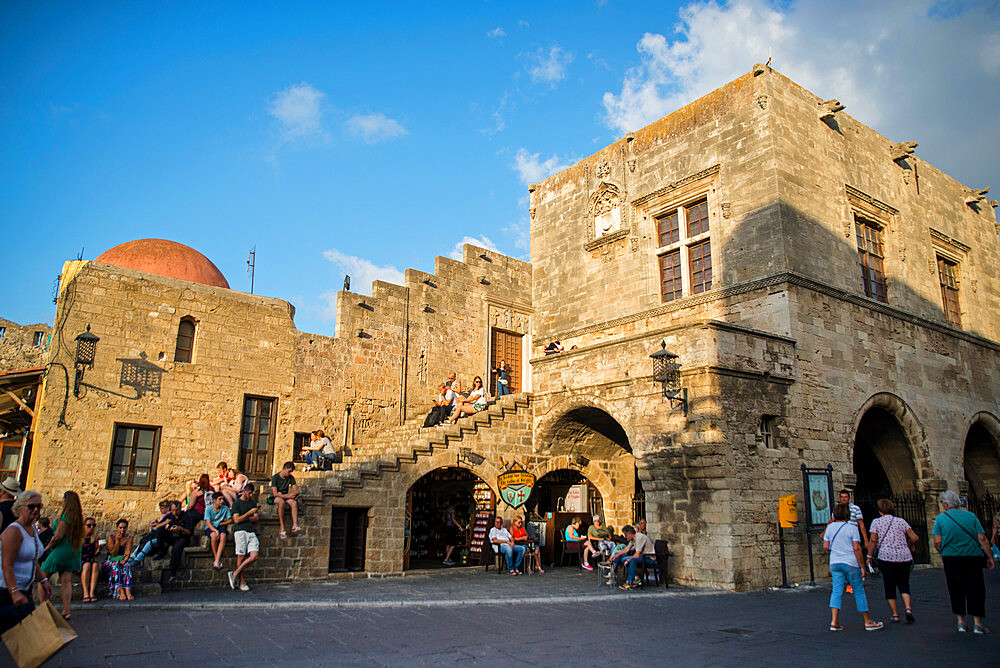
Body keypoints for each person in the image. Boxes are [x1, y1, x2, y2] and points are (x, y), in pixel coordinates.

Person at [932, 490, 995, 634]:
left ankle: (961, 621)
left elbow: (937, 542)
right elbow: (982, 539)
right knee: (976, 589)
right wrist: (990, 557)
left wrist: (942, 551)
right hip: (972, 558)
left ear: (946, 504)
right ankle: (977, 623)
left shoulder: (941, 519)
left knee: (955, 589)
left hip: (951, 559)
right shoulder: (971, 516)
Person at [823, 502, 883, 631]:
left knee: (837, 591)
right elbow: (856, 548)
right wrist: (862, 566)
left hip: (835, 562)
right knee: (858, 591)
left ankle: (834, 621)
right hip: (850, 562)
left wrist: (836, 551)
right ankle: (867, 621)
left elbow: (826, 546)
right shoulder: (851, 528)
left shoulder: (830, 528)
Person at [0, 490, 51, 633]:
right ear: (20, 507)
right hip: (6, 592)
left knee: (26, 639)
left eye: (39, 506)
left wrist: (43, 580)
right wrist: (14, 592)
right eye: (31, 506)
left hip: (24, 591)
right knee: (25, 638)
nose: (36, 510)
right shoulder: (14, 531)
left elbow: (32, 560)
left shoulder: (32, 529)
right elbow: (7, 565)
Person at [868, 498, 918, 624]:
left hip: (886, 557)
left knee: (889, 585)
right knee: (904, 584)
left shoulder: (876, 522)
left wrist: (869, 556)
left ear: (880, 511)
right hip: (904, 556)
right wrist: (909, 544)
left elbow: (873, 540)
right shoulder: (901, 521)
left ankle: (895, 614)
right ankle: (908, 608)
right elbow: (915, 537)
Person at [40, 490, 84, 620]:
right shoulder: (77, 519)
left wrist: (47, 547)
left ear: (66, 501)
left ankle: (43, 607)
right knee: (66, 581)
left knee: (42, 578)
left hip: (61, 550)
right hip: (73, 550)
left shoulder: (64, 517)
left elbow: (58, 536)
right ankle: (66, 609)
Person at [228, 483, 259, 591]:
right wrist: (248, 514)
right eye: (249, 493)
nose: (251, 495)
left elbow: (256, 518)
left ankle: (235, 573)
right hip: (240, 531)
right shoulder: (237, 503)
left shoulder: (252, 503)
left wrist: (245, 517)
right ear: (244, 491)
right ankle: (241, 581)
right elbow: (236, 520)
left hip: (250, 531)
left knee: (254, 555)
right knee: (240, 556)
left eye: (252, 493)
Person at [156, 500, 196, 582]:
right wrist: (165, 524)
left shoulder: (186, 516)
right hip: (172, 536)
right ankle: (160, 551)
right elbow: (157, 526)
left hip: (182, 537)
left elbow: (189, 532)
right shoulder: (170, 516)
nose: (175, 512)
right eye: (173, 510)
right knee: (160, 532)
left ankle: (173, 572)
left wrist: (180, 529)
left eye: (176, 510)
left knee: (177, 548)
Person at [611, 525, 657, 590]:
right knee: (624, 559)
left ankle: (630, 581)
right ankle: (636, 577)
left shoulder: (639, 538)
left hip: (649, 558)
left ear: (629, 534)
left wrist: (629, 560)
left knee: (632, 560)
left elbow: (637, 554)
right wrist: (617, 555)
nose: (625, 537)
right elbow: (627, 549)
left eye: (625, 535)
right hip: (642, 557)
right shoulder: (633, 539)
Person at [104, 518, 133, 600]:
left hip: (122, 559)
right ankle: (120, 590)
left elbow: (127, 552)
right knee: (115, 566)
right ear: (117, 528)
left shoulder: (129, 537)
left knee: (127, 565)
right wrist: (117, 540)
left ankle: (127, 589)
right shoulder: (111, 537)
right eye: (120, 527)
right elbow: (113, 553)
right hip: (111, 560)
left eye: (124, 528)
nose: (122, 530)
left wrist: (125, 560)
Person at [270, 461, 300, 539]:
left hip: (284, 496)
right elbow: (275, 493)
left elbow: (296, 491)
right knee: (281, 502)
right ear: (284, 468)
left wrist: (290, 495)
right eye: (289, 471)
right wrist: (287, 495)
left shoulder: (290, 478)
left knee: (293, 503)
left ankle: (295, 525)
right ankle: (282, 528)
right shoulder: (275, 477)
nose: (290, 473)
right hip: (276, 497)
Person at [204, 492, 233, 570]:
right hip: (211, 527)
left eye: (222, 499)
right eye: (219, 499)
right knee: (213, 535)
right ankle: (216, 558)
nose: (222, 501)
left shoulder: (225, 508)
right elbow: (208, 524)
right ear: (214, 500)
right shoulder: (208, 509)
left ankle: (217, 560)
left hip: (220, 526)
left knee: (223, 536)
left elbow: (230, 520)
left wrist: (223, 523)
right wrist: (215, 531)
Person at [79, 517, 101, 602]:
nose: (91, 527)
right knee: (87, 565)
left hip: (90, 560)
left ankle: (92, 592)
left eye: (93, 525)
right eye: (89, 525)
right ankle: (85, 592)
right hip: (80, 561)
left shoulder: (94, 538)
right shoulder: (79, 538)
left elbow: (95, 554)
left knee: (95, 565)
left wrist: (99, 547)